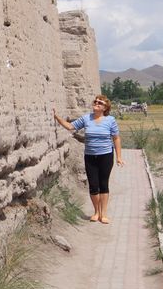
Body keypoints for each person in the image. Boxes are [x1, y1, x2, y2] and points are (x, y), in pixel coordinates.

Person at [53, 95, 124, 224]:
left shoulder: (110, 120)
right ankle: (96, 212)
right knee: (93, 185)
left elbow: (116, 138)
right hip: (90, 156)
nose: (96, 103)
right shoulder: (86, 118)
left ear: (105, 107)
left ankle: (104, 213)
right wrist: (57, 117)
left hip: (106, 156)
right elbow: (70, 127)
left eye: (100, 103)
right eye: (95, 101)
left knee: (103, 184)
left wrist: (119, 157)